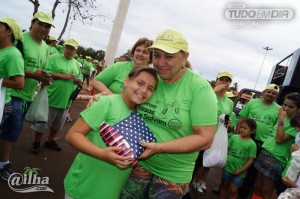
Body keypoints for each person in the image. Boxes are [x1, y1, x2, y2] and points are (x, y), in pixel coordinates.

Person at [120, 29, 218, 199]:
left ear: (185, 57)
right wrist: (104, 98)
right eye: (156, 55)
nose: (160, 62)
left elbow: (205, 139)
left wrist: (159, 147)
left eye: (169, 57)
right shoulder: (151, 78)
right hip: (137, 162)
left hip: (172, 175)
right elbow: (128, 103)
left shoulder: (199, 88)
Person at [64, 66, 158, 199]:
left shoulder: (142, 116)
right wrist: (102, 154)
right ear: (126, 81)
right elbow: (72, 135)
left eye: (150, 89)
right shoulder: (107, 103)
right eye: (140, 83)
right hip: (82, 187)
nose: (143, 90)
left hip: (110, 192)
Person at [0, 12, 53, 180]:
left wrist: (44, 78)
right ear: (32, 23)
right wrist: (34, 75)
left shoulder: (45, 47)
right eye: (41, 24)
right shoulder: (19, 40)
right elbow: (13, 66)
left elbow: (40, 69)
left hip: (29, 95)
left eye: (48, 26)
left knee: (11, 131)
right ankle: (3, 164)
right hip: (12, 93)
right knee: (10, 132)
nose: (44, 29)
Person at [31, 39, 82, 154]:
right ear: (64, 47)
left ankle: (49, 140)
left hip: (66, 101)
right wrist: (61, 76)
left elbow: (79, 78)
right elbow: (44, 72)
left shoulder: (76, 63)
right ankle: (36, 142)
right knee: (42, 122)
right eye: (67, 47)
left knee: (57, 124)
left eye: (71, 48)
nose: (69, 50)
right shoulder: (54, 57)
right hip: (51, 97)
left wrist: (78, 80)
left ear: (75, 51)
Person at [190, 71, 234, 195]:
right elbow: (198, 104)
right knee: (196, 160)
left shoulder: (229, 102)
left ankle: (199, 180)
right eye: (222, 79)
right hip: (201, 132)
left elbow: (227, 117)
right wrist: (213, 91)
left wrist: (228, 122)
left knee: (208, 161)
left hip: (215, 135)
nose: (224, 82)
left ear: (230, 83)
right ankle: (189, 181)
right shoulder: (208, 92)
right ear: (217, 80)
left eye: (227, 80)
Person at [252, 92, 300, 199]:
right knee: (258, 186)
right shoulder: (283, 118)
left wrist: (281, 120)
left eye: (291, 106)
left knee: (266, 191)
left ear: (298, 109)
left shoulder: (295, 124)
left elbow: (279, 139)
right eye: (285, 104)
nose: (286, 108)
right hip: (265, 152)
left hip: (277, 158)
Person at [237, 84, 280, 199]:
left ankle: (242, 195)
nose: (270, 94)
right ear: (263, 92)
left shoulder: (279, 109)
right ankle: (225, 186)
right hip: (245, 139)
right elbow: (241, 119)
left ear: (276, 96)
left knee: (252, 174)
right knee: (236, 162)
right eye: (268, 92)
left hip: (261, 145)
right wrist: (237, 136)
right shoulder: (252, 103)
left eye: (273, 93)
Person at [0, 17, 24, 181]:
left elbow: (19, 83)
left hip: (3, 105)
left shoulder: (13, 54)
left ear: (9, 32)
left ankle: (3, 165)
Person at [220, 118, 257, 199]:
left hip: (240, 172)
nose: (242, 129)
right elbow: (227, 150)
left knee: (233, 190)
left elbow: (251, 160)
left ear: (252, 131)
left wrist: (241, 170)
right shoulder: (234, 137)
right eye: (241, 127)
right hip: (228, 167)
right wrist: (224, 162)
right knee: (224, 185)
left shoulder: (252, 144)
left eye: (245, 128)